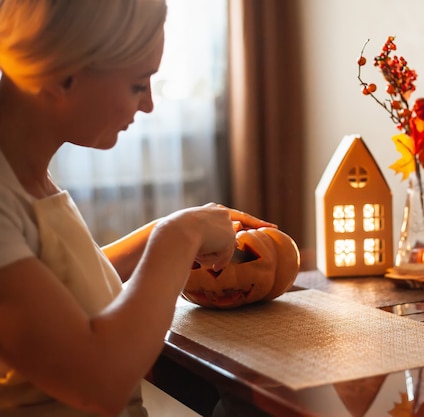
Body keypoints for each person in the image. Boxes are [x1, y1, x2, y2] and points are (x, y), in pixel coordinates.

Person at [0, 1, 275, 416]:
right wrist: (179, 235)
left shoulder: (24, 176)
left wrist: (165, 230)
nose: (147, 105)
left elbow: (56, 288)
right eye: (137, 83)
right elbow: (98, 382)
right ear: (64, 76)